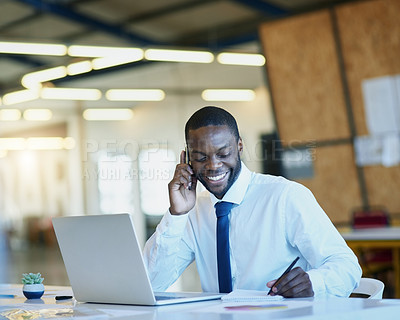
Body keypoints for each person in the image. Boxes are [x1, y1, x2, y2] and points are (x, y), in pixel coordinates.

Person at [143, 106, 361, 298]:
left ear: (239, 146)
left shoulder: (285, 196)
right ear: (187, 158)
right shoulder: (194, 212)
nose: (213, 165)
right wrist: (177, 214)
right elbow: (151, 283)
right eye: (200, 157)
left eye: (223, 153)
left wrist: (314, 283)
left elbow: (347, 266)